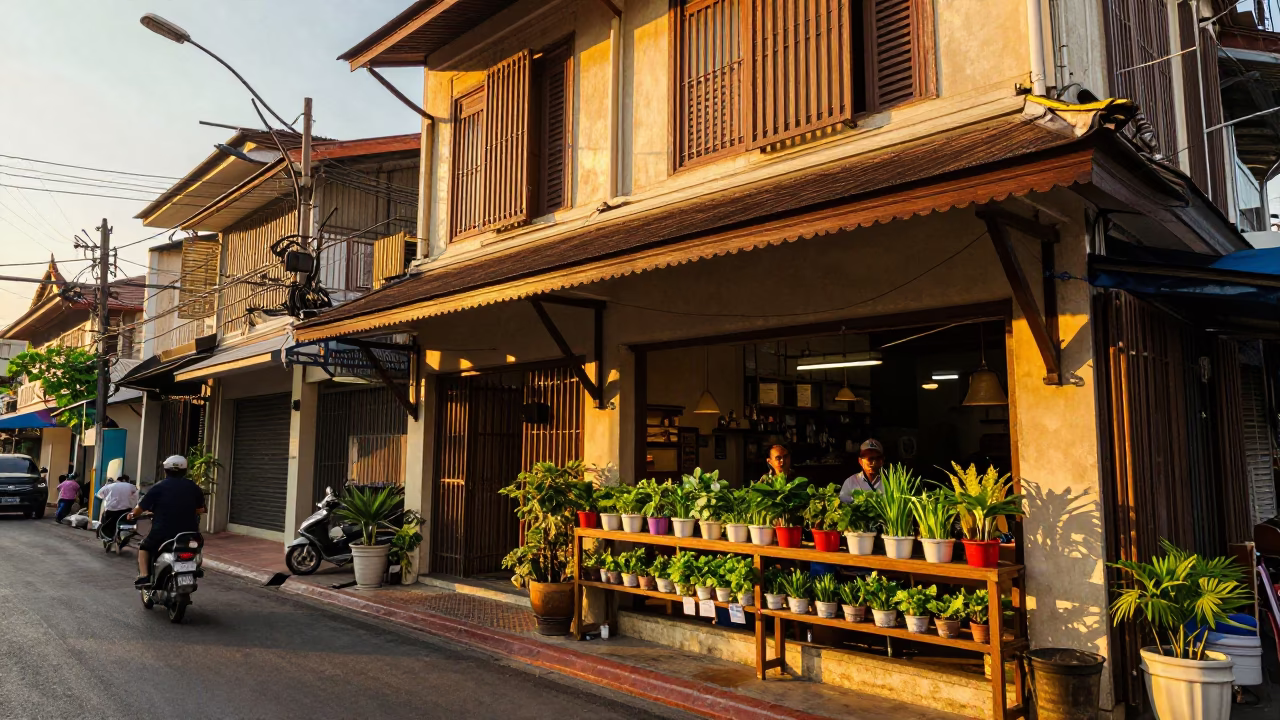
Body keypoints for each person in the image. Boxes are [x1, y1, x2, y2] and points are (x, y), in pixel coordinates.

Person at [130, 456, 205, 588]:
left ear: (166, 470)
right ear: (185, 470)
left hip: (162, 532)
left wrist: (132, 515)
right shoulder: (194, 487)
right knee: (195, 548)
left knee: (144, 547)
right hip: (190, 533)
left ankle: (144, 576)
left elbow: (139, 509)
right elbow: (200, 509)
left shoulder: (158, 487)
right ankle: (194, 568)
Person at [839, 439, 886, 503]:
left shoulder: (889, 482)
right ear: (860, 461)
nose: (874, 463)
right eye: (870, 459)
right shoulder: (850, 482)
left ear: (882, 461)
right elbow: (843, 502)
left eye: (878, 458)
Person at [96, 474, 137, 546]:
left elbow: (99, 494)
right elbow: (136, 496)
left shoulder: (109, 486)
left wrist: (106, 498)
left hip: (111, 511)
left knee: (105, 521)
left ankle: (107, 537)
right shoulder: (131, 486)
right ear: (126, 480)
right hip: (126, 511)